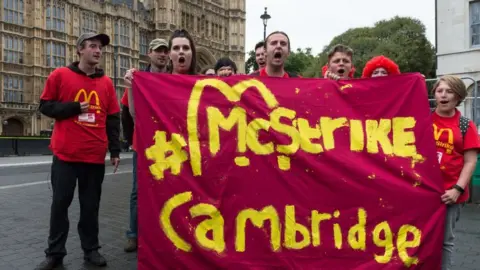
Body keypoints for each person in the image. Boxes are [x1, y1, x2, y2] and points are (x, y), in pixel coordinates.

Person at [35, 32, 121, 270]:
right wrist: (73, 108)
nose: (98, 51)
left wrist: (115, 150)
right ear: (80, 50)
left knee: (90, 207)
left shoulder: (106, 83)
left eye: (100, 48)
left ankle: (91, 251)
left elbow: (113, 119)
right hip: (65, 155)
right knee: (60, 205)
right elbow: (45, 106)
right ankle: (55, 254)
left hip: (94, 157)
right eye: (93, 46)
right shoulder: (60, 75)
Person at [121, 38, 170, 253]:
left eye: (164, 51)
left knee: (166, 189)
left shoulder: (174, 79)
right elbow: (131, 113)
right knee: (137, 191)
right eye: (157, 51)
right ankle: (133, 233)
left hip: (169, 145)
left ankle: (162, 232)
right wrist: (130, 86)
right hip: (143, 143)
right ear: (148, 53)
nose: (161, 55)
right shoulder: (137, 78)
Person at [431, 75, 480, 270]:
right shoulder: (422, 119)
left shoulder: (466, 126)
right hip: (424, 192)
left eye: (449, 91)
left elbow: (470, 161)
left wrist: (457, 189)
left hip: (449, 195)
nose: (444, 95)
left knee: (445, 242)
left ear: (458, 97)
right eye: (440, 90)